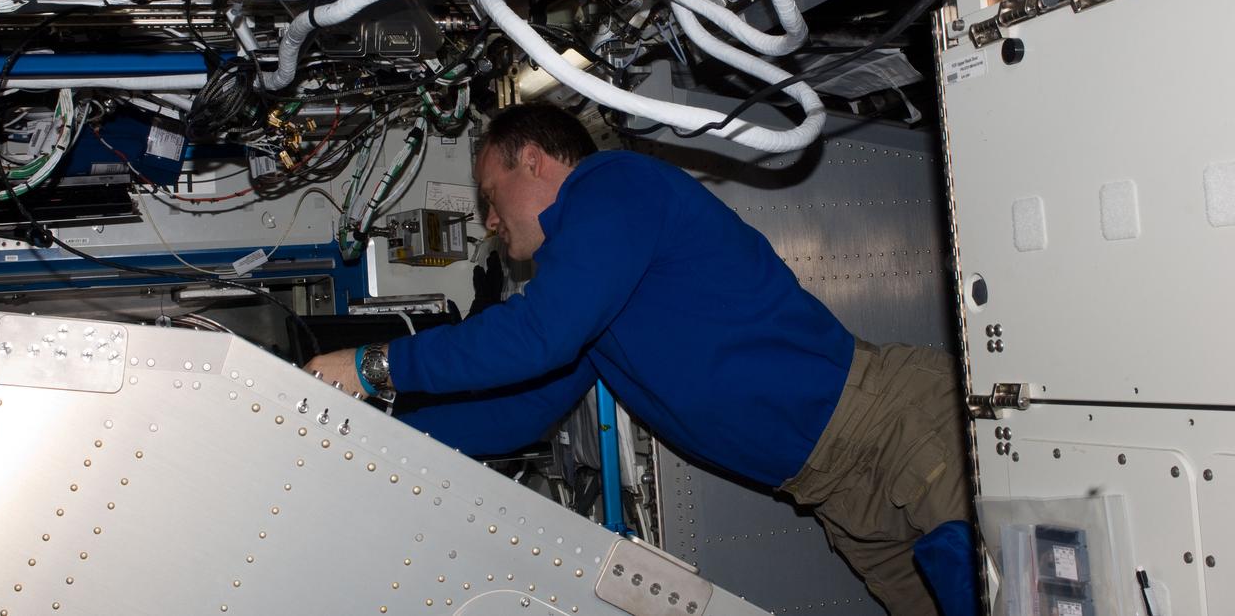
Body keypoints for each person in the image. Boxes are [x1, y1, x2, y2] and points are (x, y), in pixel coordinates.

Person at [307, 103, 975, 616]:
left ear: (531, 160)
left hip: (893, 432)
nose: (488, 220)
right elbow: (517, 415)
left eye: (489, 194)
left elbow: (537, 336)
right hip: (837, 494)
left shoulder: (614, 188)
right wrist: (366, 440)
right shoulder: (592, 297)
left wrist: (373, 367)